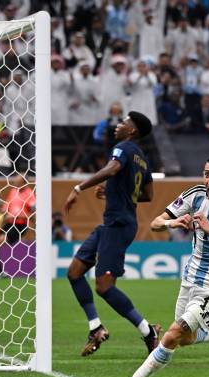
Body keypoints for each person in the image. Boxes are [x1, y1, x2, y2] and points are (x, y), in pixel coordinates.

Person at [106, 156, 209, 377]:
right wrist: (173, 222)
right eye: (207, 174)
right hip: (190, 278)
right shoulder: (194, 195)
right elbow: (155, 223)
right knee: (186, 339)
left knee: (172, 335)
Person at [63, 112, 160, 357]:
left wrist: (79, 187)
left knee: (104, 287)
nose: (118, 125)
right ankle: (96, 327)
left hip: (118, 225)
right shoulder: (142, 159)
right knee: (74, 272)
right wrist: (113, 191)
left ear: (133, 131)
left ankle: (148, 331)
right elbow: (148, 195)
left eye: (124, 122)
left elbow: (112, 168)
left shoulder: (124, 148)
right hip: (113, 224)